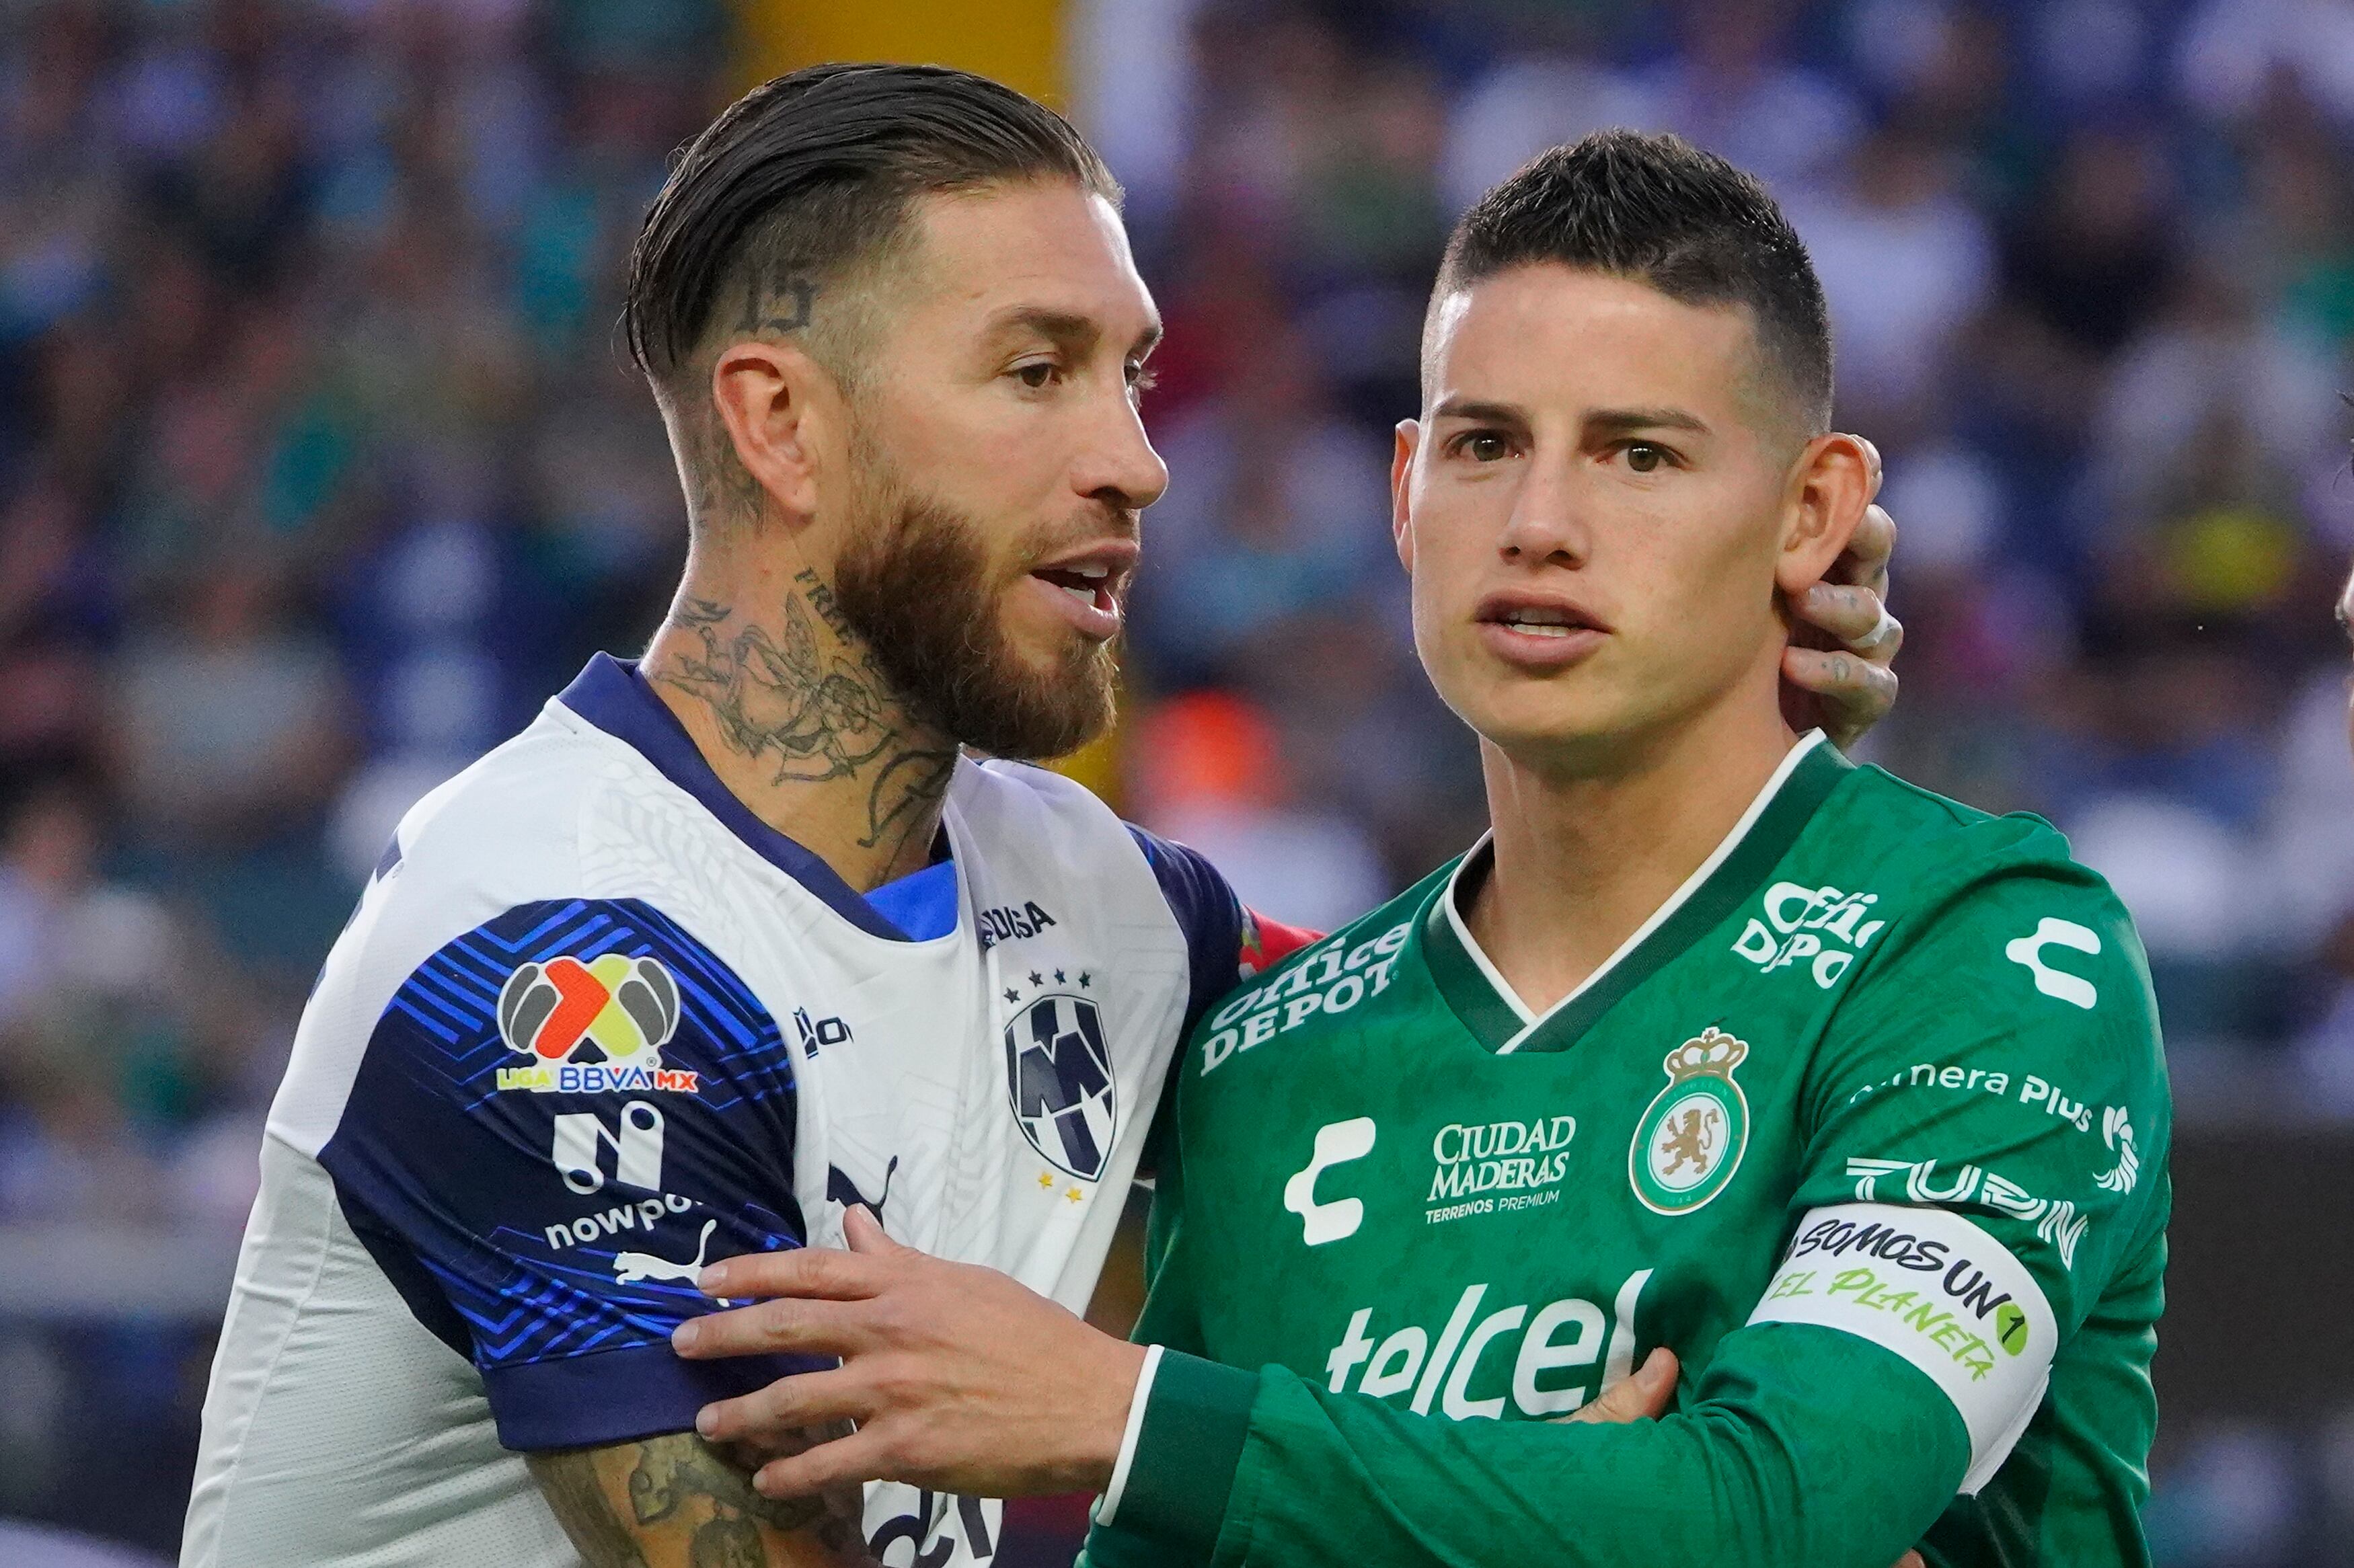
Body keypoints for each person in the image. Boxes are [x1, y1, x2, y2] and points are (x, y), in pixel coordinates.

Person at [178, 69, 1903, 1568]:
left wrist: (1718, 709)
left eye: (1129, 375)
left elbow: (1534, 1077)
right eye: (1035, 371)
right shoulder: (556, 964)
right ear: (783, 424)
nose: (1135, 459)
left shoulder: (1110, 913)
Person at [670, 132, 2169, 1568]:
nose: (1539, 522)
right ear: (1403, 493)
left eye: (1640, 456)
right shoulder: (1264, 1059)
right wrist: (1571, 1523)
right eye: (1484, 445)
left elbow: (1777, 1513)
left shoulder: (1984, 950)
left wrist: (1119, 1415)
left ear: (1814, 513)